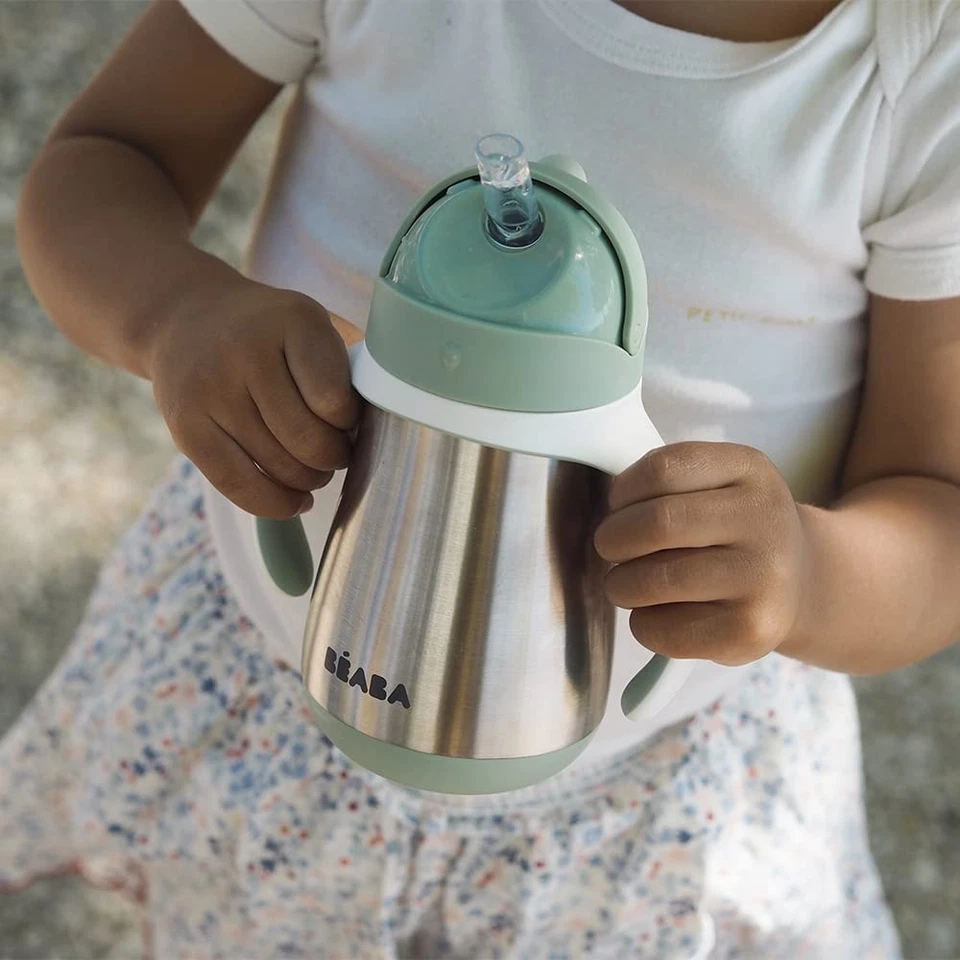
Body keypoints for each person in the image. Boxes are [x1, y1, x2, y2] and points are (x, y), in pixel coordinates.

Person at [3, 0, 959, 955]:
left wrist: (809, 573)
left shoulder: (925, 74)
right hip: (270, 698)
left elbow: (933, 505)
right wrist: (176, 314)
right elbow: (107, 156)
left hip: (642, 809)